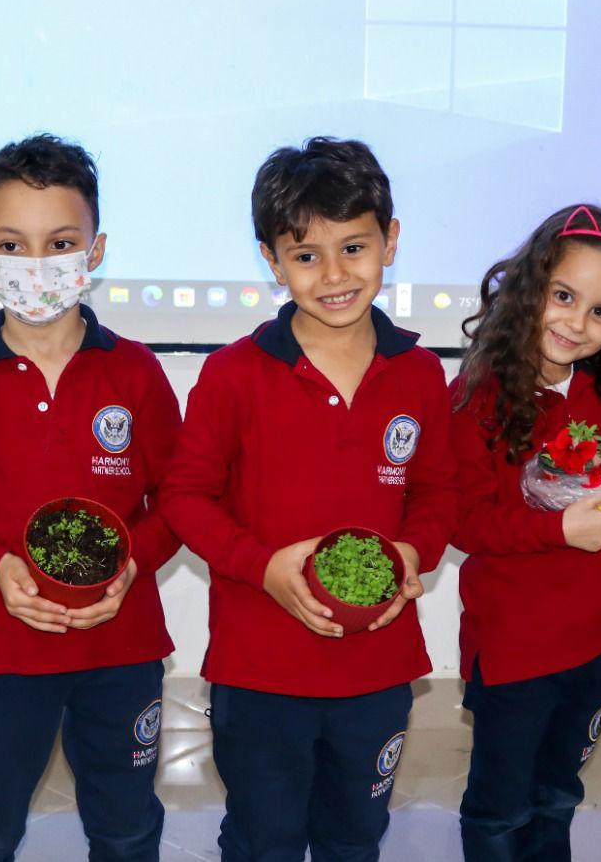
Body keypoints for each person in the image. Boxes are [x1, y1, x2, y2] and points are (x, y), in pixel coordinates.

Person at [160, 137, 453, 862]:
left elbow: (441, 493)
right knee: (265, 838)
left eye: (354, 247)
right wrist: (261, 566)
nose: (333, 275)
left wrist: (413, 551)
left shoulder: (418, 373)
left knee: (355, 836)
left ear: (390, 239)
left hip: (378, 664)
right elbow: (185, 496)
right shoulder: (233, 375)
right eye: (305, 255)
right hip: (259, 668)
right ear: (271, 259)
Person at [0, 134, 181, 862]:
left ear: (96, 248)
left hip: (122, 647)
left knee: (125, 825)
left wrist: (131, 564)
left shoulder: (138, 373)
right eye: (12, 245)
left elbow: (179, 498)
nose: (37, 264)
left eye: (60, 242)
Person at [448, 204, 601, 861]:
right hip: (515, 650)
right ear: (529, 287)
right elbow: (463, 519)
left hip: (597, 645)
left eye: (600, 310)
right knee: (500, 809)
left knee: (558, 795)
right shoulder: (478, 395)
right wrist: (557, 527)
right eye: (563, 295)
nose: (576, 321)